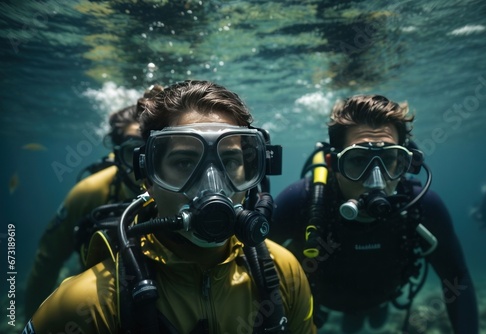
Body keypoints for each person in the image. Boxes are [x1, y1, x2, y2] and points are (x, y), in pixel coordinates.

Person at [24, 80, 316, 334]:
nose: (212, 185)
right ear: (149, 178)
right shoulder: (84, 303)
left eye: (230, 161)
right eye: (185, 162)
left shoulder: (283, 271)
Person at [269, 95, 478, 333]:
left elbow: (456, 277)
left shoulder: (422, 207)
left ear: (404, 162)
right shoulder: (301, 201)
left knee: (374, 319)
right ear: (332, 163)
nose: (375, 181)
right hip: (320, 303)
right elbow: (250, 267)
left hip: (382, 298)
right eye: (358, 160)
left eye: (389, 159)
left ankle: (368, 312)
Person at [24, 105, 145, 317]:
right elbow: (47, 262)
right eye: (132, 151)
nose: (142, 164)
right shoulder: (89, 193)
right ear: (117, 155)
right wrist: (32, 322)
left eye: (151, 150)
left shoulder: (182, 191)